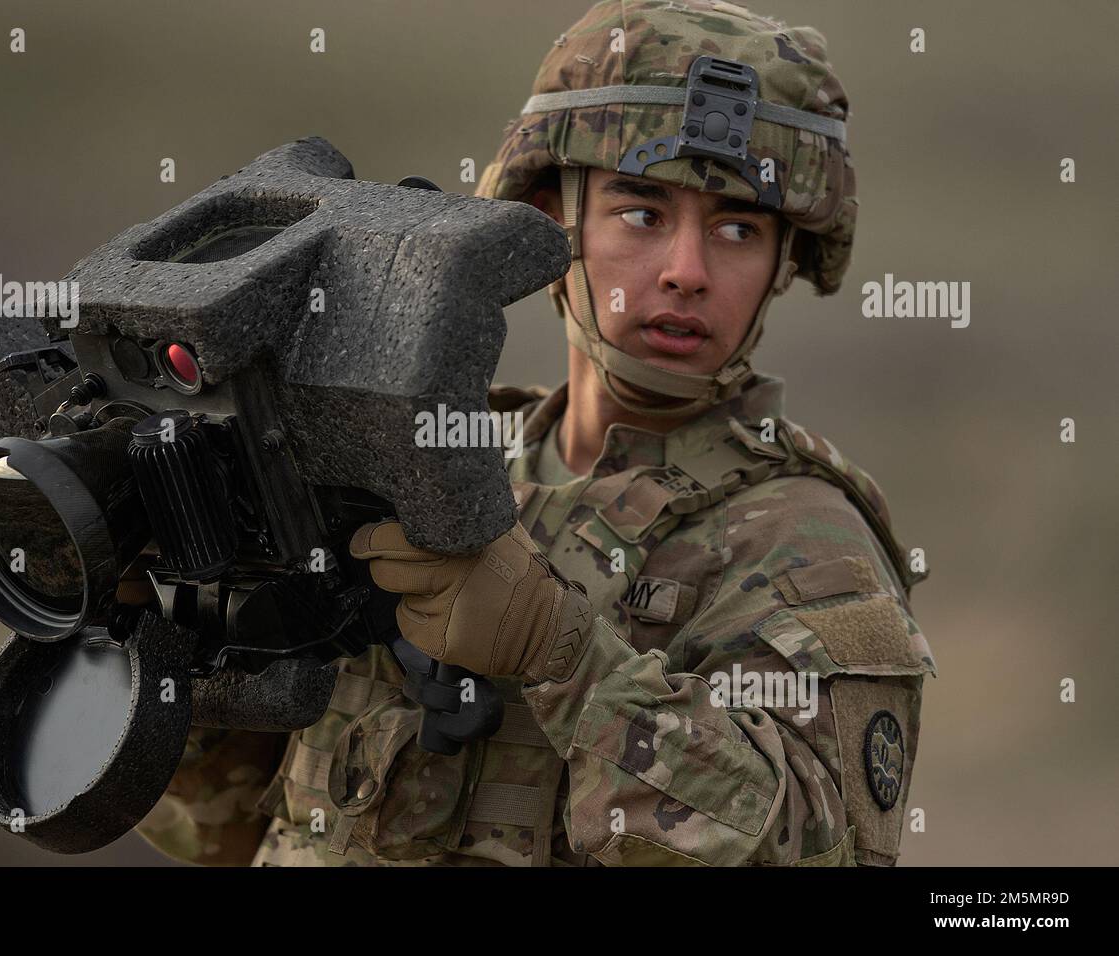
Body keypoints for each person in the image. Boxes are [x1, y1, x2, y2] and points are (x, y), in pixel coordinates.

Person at [135, 0, 935, 867]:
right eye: (642, 212)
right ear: (553, 217)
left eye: (738, 229)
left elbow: (819, 853)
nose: (686, 272)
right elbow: (216, 825)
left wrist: (565, 656)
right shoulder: (412, 458)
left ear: (784, 262)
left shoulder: (807, 545)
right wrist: (156, 634)